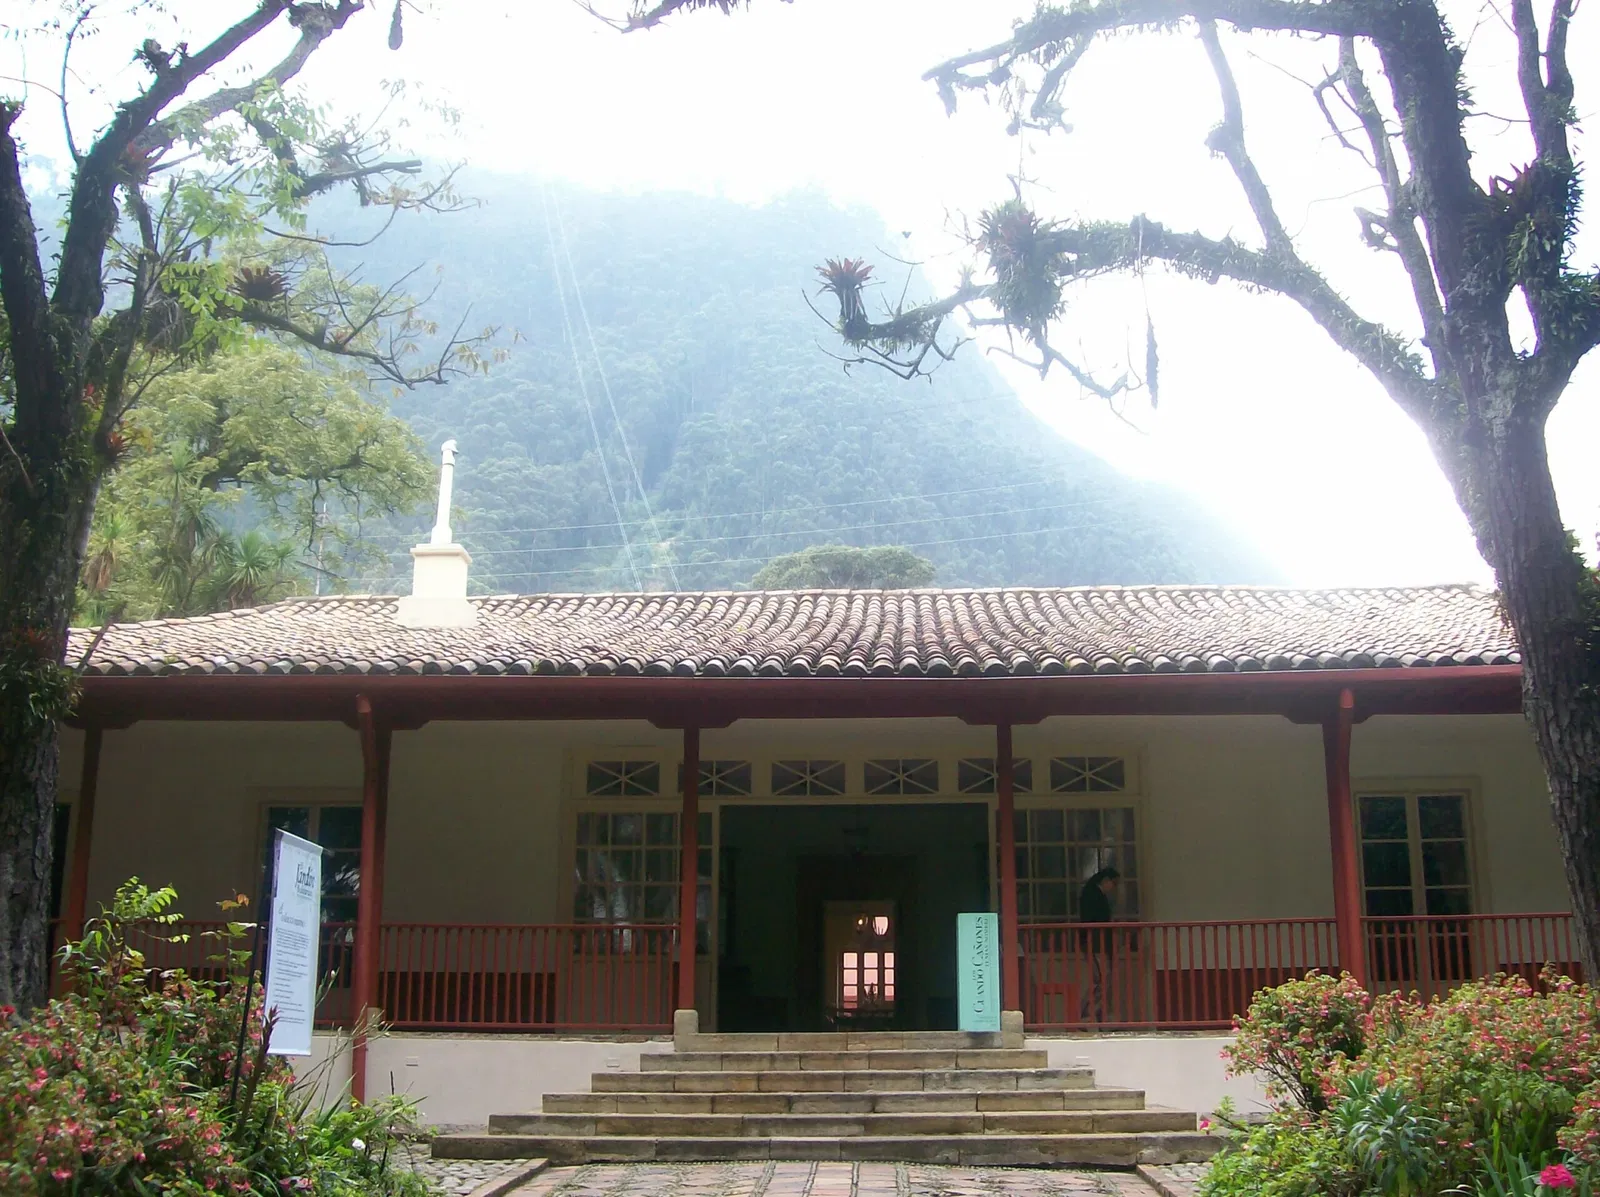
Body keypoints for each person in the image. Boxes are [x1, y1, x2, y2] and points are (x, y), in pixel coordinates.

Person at [1077, 866, 1120, 1023]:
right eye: (1113, 884)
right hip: (1095, 943)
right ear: (1106, 881)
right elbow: (1092, 919)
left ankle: (1097, 1014)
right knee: (1101, 980)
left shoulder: (1094, 893)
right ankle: (1085, 1014)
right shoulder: (1092, 894)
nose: (1113, 888)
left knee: (1103, 980)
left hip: (1098, 943)